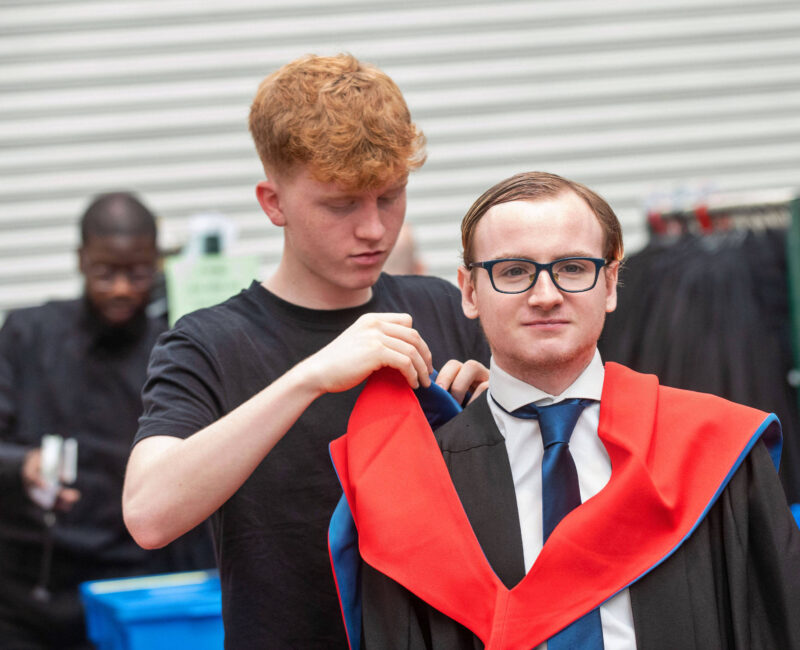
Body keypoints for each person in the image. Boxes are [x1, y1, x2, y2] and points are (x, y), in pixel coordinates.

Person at [331, 172, 800, 649]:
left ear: (611, 284)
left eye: (573, 268)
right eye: (513, 271)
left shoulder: (716, 449)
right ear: (469, 292)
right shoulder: (422, 485)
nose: (546, 295)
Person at [122, 54, 490, 648]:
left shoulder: (443, 306)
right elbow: (148, 515)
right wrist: (309, 377)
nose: (373, 229)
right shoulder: (208, 342)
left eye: (390, 197)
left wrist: (495, 413)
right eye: (341, 205)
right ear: (274, 204)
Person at [0, 192, 213, 649]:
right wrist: (24, 465)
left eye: (136, 273)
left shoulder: (175, 350)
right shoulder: (27, 335)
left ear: (156, 263)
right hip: (31, 590)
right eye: (105, 272)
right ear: (81, 260)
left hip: (136, 589)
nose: (120, 288)